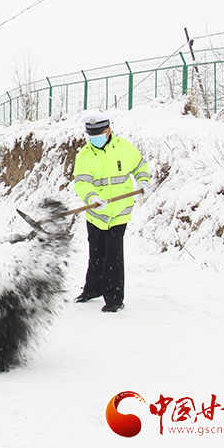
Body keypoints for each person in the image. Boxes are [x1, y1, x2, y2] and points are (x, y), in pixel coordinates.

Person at [72, 112, 151, 313]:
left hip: (119, 212)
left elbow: (140, 166)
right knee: (96, 253)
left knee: (113, 256)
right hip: (96, 214)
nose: (94, 138)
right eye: (91, 135)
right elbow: (82, 182)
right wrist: (91, 198)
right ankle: (93, 289)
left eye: (98, 133)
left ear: (108, 130)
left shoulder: (124, 149)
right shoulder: (84, 155)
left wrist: (143, 182)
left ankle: (114, 299)